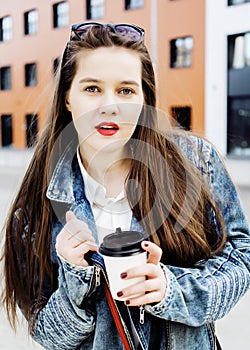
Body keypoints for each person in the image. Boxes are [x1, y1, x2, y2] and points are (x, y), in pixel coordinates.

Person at [1, 21, 250, 350]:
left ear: (144, 98)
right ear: (67, 98)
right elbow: (48, 335)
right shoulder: (35, 208)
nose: (110, 105)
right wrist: (75, 277)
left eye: (126, 90)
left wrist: (172, 289)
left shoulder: (196, 161)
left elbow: (240, 257)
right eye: (92, 88)